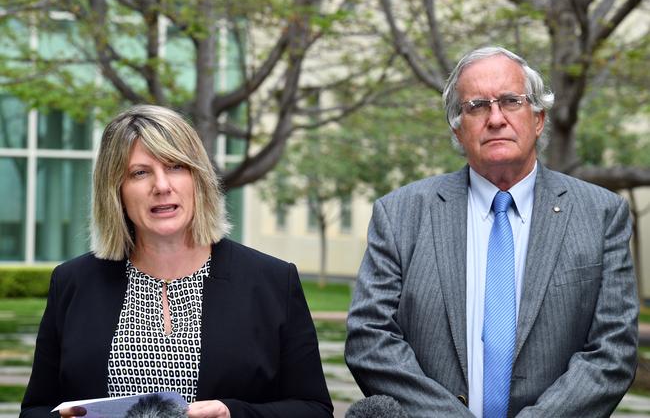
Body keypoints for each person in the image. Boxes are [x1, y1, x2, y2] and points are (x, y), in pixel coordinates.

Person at [345, 46, 638, 417]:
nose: (495, 118)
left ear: (538, 119)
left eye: (511, 101)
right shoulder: (400, 214)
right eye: (477, 106)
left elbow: (612, 352)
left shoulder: (601, 215)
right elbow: (369, 340)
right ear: (457, 126)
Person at [21, 105, 333, 418]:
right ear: (115, 190)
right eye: (140, 173)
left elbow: (315, 409)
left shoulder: (273, 281)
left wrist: (234, 414)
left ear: (198, 178)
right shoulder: (72, 282)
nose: (162, 186)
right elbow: (35, 409)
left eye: (175, 167)